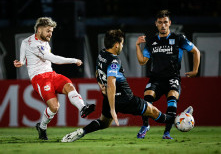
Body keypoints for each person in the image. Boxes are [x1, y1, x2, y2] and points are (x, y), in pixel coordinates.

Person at [61, 29, 192, 143]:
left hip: (109, 97)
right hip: (126, 99)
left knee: (104, 123)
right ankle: (178, 119)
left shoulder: (101, 54)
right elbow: (112, 82)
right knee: (153, 112)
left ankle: (81, 132)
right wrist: (113, 109)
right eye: (122, 43)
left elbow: (98, 72)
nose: (122, 46)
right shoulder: (114, 60)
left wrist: (101, 84)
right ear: (117, 45)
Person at [13, 17, 95, 140]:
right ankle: (42, 127)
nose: (50, 34)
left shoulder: (39, 41)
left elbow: (23, 60)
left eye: (51, 31)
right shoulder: (31, 43)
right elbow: (53, 59)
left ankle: (82, 108)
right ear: (39, 29)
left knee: (69, 85)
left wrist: (20, 62)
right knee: (55, 107)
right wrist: (74, 60)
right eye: (48, 31)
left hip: (51, 74)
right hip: (39, 78)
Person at [135, 10, 200, 139]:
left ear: (169, 23)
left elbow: (196, 51)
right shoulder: (152, 41)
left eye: (165, 22)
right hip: (156, 78)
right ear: (156, 24)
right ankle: (145, 125)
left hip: (172, 77)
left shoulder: (179, 39)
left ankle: (167, 133)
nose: (163, 25)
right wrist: (137, 45)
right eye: (160, 23)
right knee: (147, 97)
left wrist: (195, 70)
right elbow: (142, 61)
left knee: (172, 101)